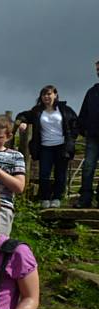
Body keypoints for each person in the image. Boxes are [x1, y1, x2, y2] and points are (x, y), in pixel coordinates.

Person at [15, 85, 79, 208]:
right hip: (45, 147)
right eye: (44, 94)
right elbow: (23, 115)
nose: (46, 97)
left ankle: (57, 198)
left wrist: (71, 139)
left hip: (62, 146)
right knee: (44, 173)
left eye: (49, 94)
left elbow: (75, 123)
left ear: (55, 95)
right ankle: (44, 198)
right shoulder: (37, 111)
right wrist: (22, 122)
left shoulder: (65, 109)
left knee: (60, 174)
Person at [76, 59, 99, 208]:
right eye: (97, 70)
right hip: (93, 136)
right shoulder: (92, 92)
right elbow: (83, 114)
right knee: (88, 166)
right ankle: (85, 199)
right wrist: (83, 130)